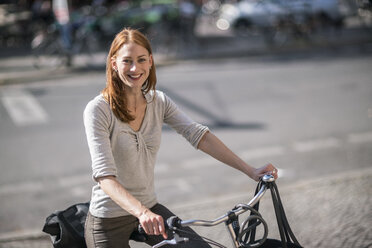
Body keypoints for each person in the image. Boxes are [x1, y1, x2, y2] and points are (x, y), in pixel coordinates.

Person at [83, 27, 278, 248]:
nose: (135, 68)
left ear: (151, 62)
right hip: (108, 219)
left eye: (141, 60)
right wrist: (142, 212)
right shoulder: (98, 110)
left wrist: (250, 170)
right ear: (113, 63)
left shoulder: (159, 101)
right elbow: (104, 177)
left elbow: (199, 136)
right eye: (127, 61)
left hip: (150, 208)